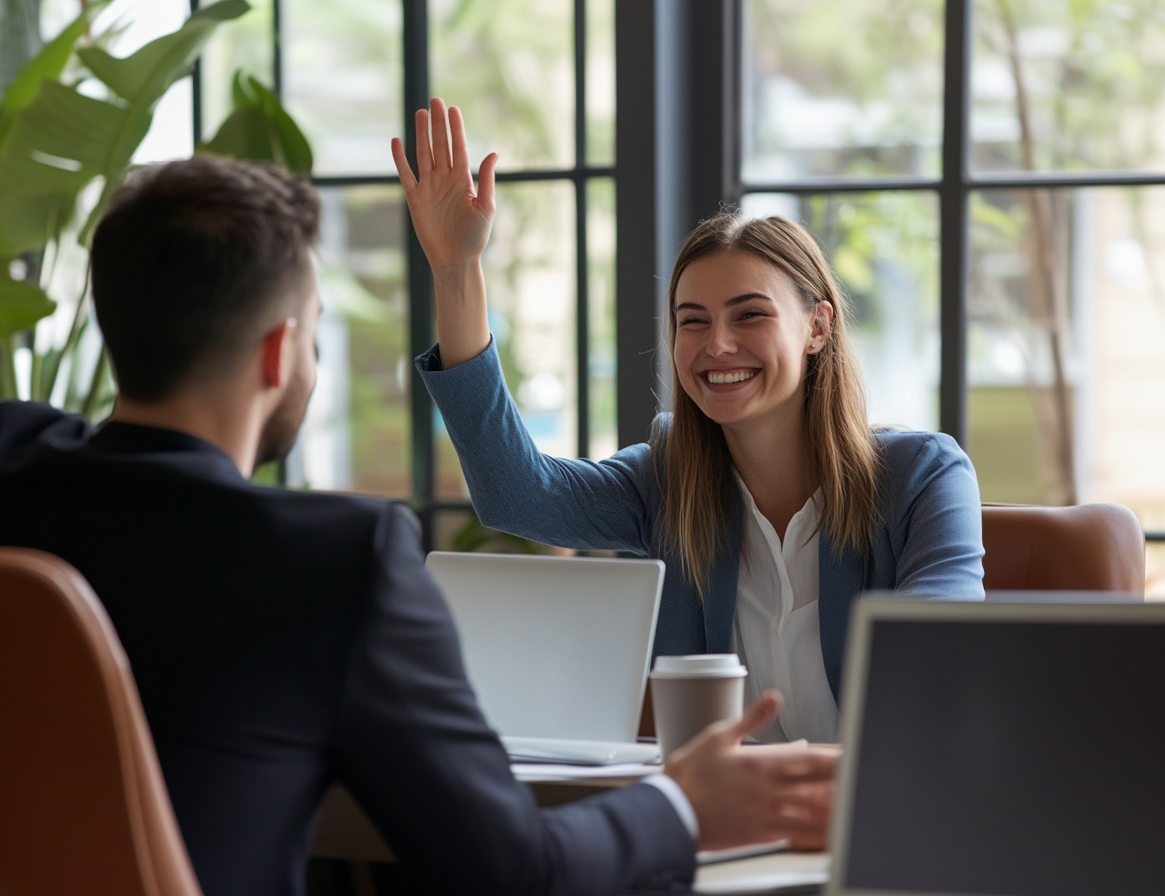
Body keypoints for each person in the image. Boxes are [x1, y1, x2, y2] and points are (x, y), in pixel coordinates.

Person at [0, 154, 838, 896]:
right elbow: (512, 871)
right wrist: (684, 803)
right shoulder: (331, 563)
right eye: (314, 332)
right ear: (278, 354)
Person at [393, 98, 985, 746]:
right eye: (692, 320)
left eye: (750, 315)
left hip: (876, 817)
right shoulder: (666, 481)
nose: (717, 344)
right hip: (729, 824)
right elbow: (516, 494)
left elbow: (942, 657)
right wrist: (457, 270)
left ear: (817, 326)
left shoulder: (923, 476)